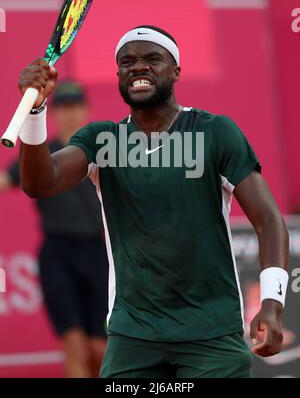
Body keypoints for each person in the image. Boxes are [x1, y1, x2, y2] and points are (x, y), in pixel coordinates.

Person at [16, 25, 289, 378]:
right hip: (133, 337)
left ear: (175, 71)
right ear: (118, 75)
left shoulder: (215, 131)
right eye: (127, 61)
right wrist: (35, 112)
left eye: (152, 59)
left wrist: (272, 304)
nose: (138, 67)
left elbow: (269, 220)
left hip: (211, 334)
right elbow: (39, 182)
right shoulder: (102, 140)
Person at [0, 81, 108, 378]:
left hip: (99, 255)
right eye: (63, 107)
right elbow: (7, 180)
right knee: (73, 345)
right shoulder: (41, 154)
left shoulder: (104, 152)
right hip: (58, 254)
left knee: (100, 349)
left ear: (85, 109)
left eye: (75, 106)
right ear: (54, 112)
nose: (70, 113)